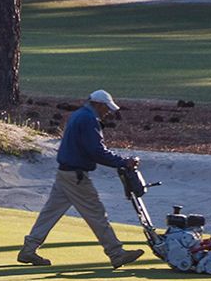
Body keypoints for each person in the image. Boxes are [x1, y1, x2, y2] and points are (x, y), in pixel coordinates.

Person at [18, 90, 145, 268]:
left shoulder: (79, 115)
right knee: (96, 213)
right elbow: (96, 151)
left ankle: (29, 249)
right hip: (76, 176)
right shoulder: (88, 119)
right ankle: (116, 253)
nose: (108, 112)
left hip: (65, 172)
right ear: (98, 104)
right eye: (107, 108)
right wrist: (123, 162)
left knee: (50, 212)